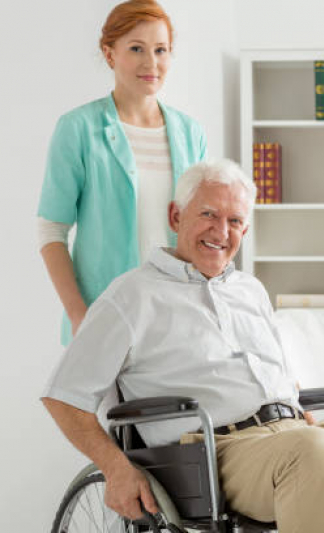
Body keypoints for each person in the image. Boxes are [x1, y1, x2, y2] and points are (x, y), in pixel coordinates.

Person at [41, 160, 324, 533]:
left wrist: (294, 406)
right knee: (312, 451)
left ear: (245, 229)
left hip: (292, 435)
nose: (221, 231)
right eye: (208, 215)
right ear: (175, 216)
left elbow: (276, 373)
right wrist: (116, 468)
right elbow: (63, 397)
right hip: (212, 453)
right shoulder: (132, 295)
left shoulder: (250, 290)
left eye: (234, 221)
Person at [38, 0, 206, 344]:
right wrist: (77, 314)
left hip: (179, 319)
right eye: (136, 49)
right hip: (104, 320)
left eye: (161, 50)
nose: (151, 63)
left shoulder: (191, 133)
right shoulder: (78, 129)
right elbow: (51, 230)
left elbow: (204, 229)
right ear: (110, 53)